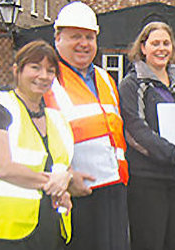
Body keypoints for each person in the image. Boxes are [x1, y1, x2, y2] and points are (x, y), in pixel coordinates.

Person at [0, 40, 74, 250]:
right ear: (17, 70)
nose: (43, 76)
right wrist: (52, 182)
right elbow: (3, 168)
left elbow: (63, 166)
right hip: (2, 234)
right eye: (35, 67)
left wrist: (66, 180)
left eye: (50, 71)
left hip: (48, 229)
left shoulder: (57, 119)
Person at [43, 2, 130, 250]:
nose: (84, 43)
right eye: (75, 36)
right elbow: (39, 138)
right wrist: (65, 177)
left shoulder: (104, 77)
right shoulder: (47, 79)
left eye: (89, 37)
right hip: (75, 193)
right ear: (58, 38)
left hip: (114, 187)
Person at [119, 21, 175, 250]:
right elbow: (136, 129)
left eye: (166, 43)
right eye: (155, 43)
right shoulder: (132, 84)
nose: (161, 48)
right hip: (147, 180)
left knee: (174, 242)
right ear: (143, 47)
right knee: (149, 243)